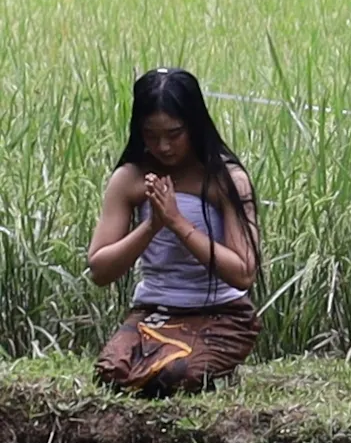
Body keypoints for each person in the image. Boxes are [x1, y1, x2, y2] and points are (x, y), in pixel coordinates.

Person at [88, 67, 262, 395]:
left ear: (194, 127)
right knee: (113, 373)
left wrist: (177, 222)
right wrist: (152, 225)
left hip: (221, 313)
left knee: (173, 376)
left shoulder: (226, 180)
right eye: (151, 136)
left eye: (174, 133)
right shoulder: (129, 178)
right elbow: (99, 269)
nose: (164, 146)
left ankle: (221, 373)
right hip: (154, 311)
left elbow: (243, 273)